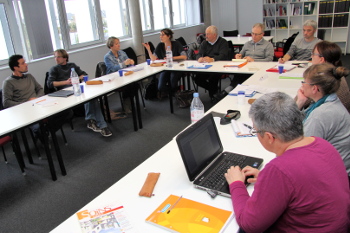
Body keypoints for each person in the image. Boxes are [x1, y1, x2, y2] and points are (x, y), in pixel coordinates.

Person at [225, 92, 349, 232]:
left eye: (255, 131)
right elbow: (303, 182)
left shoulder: (279, 170)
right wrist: (266, 179)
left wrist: (236, 184)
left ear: (269, 137)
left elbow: (249, 224)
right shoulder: (322, 144)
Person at [296, 63, 350, 175]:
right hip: (335, 166)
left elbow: (301, 152)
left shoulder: (321, 114)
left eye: (304, 82)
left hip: (332, 175)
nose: (302, 85)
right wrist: (300, 102)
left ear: (314, 88)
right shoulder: (328, 101)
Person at [47, 49, 112, 137]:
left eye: (58, 57)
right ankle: (97, 123)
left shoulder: (72, 66)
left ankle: (95, 122)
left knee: (92, 97)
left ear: (65, 58)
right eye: (55, 57)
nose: (56, 59)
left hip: (77, 89)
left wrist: (79, 77)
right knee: (88, 96)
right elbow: (50, 84)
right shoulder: (54, 69)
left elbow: (84, 74)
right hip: (65, 92)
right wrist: (66, 82)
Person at [2, 54, 67, 141]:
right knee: (37, 126)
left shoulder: (29, 76)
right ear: (15, 67)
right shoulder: (8, 82)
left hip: (39, 105)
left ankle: (46, 131)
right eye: (23, 63)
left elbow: (40, 89)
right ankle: (44, 137)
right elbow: (6, 102)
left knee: (67, 112)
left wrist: (37, 98)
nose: (26, 64)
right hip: (25, 111)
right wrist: (26, 104)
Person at [215, 23, 274, 100]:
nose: (253, 36)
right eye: (252, 33)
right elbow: (241, 54)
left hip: (259, 69)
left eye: (256, 34)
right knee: (239, 74)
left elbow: (269, 60)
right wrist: (238, 56)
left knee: (242, 77)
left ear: (262, 34)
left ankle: (228, 90)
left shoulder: (268, 45)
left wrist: (254, 60)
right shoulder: (247, 44)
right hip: (246, 67)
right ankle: (231, 91)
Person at [297, 40, 350, 113]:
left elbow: (298, 104)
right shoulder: (336, 73)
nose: (311, 56)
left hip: (326, 117)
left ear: (321, 59)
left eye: (313, 54)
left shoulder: (322, 79)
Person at [143, 28, 187, 99]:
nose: (161, 37)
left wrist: (172, 58)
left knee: (173, 82)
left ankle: (175, 92)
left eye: (163, 35)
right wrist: (148, 49)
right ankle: (176, 93)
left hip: (176, 68)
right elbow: (153, 58)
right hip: (166, 68)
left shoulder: (176, 44)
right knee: (160, 87)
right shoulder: (160, 45)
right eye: (160, 35)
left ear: (169, 36)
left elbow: (184, 56)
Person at [194, 25, 229, 101]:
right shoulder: (204, 43)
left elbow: (223, 55)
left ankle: (213, 94)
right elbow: (199, 53)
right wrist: (199, 58)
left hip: (219, 66)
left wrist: (212, 59)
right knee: (197, 79)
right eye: (206, 34)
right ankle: (214, 91)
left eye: (208, 34)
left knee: (213, 77)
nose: (206, 36)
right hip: (206, 66)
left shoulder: (223, 42)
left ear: (214, 35)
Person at [104, 36, 137, 113]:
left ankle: (129, 102)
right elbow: (113, 68)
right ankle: (126, 104)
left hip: (125, 76)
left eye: (119, 43)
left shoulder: (122, 53)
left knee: (135, 85)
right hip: (114, 78)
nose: (119, 45)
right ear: (111, 46)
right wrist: (124, 64)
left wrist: (131, 62)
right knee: (128, 86)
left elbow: (128, 64)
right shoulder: (107, 57)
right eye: (116, 44)